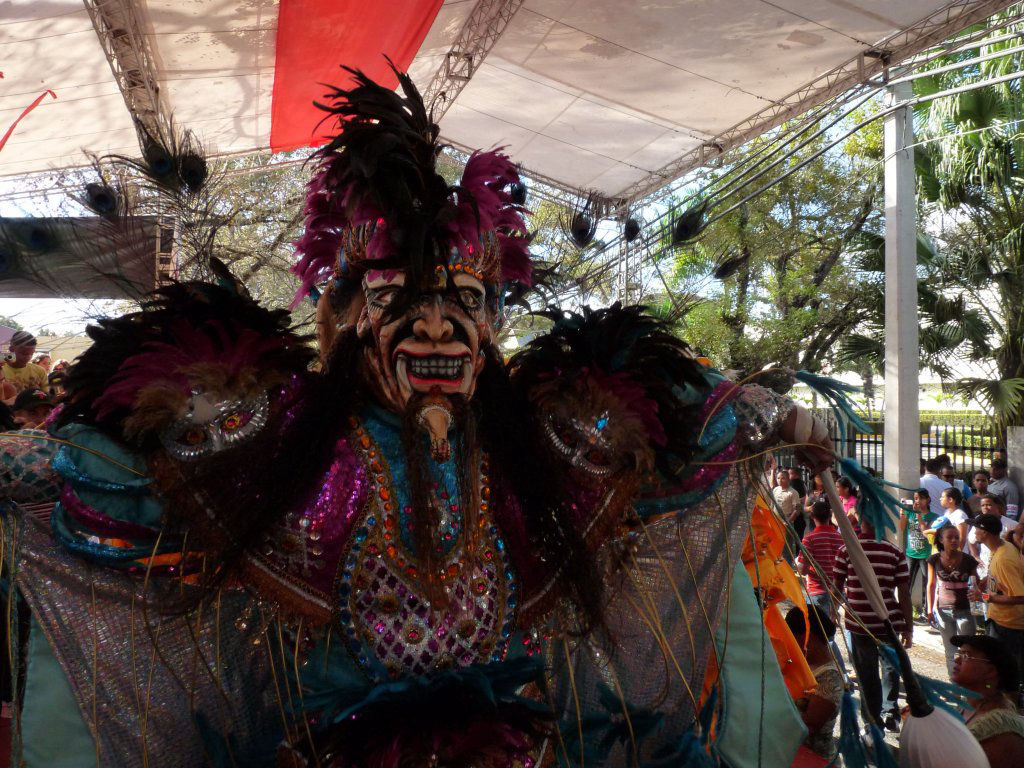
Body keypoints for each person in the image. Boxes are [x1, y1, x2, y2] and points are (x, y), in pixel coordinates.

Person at [0, 67, 837, 766]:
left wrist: (774, 416)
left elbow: (674, 447)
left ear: (493, 325)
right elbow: (119, 471)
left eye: (465, 301)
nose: (436, 326)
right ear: (348, 315)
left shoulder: (543, 448)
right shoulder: (280, 438)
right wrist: (28, 462)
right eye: (400, 298)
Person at [834, 516, 913, 730]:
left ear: (861, 521)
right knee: (890, 669)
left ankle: (872, 723)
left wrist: (832, 614)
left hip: (859, 624)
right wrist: (908, 627)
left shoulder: (846, 550)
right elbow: (904, 594)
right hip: (889, 622)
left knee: (867, 674)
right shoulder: (895, 552)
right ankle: (890, 712)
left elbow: (837, 588)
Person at [970, 514, 1024, 704]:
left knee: (1005, 672)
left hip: (1008, 625)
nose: (974, 531)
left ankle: (1009, 712)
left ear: (984, 532)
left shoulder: (1003, 558)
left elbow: (1020, 596)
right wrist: (988, 582)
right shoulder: (1000, 548)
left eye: (976, 528)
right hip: (1000, 621)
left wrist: (984, 597)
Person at [950, 634, 1024, 764]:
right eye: (959, 654)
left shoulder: (1001, 731)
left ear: (990, 671)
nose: (957, 660)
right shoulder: (969, 706)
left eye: (966, 655)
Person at [785, 605, 843, 761]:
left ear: (808, 637)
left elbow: (807, 728)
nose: (789, 644)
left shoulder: (830, 679)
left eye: (792, 638)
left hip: (814, 759)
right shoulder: (803, 663)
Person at [926, 524, 979, 676]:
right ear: (941, 540)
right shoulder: (934, 560)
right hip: (943, 610)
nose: (954, 540)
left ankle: (966, 686)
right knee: (950, 651)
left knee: (967, 650)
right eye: (950, 537)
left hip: (965, 610)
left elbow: (976, 583)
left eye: (956, 537)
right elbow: (931, 585)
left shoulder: (968, 560)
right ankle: (954, 683)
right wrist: (930, 610)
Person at [797, 498, 844, 615]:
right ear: (830, 516)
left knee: (817, 631)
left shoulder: (809, 539)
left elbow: (802, 570)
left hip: (817, 591)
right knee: (830, 629)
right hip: (837, 592)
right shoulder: (840, 538)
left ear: (812, 516)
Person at [900, 489, 936, 615]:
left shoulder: (933, 517)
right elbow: (902, 527)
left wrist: (919, 516)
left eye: (921, 498)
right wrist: (903, 511)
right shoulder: (910, 513)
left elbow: (926, 534)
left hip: (926, 555)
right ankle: (905, 610)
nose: (918, 501)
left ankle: (927, 612)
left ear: (928, 500)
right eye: (916, 498)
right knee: (907, 582)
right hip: (911, 553)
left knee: (927, 582)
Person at [927, 486, 970, 553]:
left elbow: (962, 538)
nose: (940, 499)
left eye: (943, 497)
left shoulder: (960, 515)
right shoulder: (946, 513)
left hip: (956, 555)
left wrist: (956, 554)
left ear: (950, 499)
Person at [773, 466, 806, 548]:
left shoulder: (793, 492)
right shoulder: (775, 490)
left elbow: (797, 509)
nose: (780, 480)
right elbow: (771, 505)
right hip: (775, 520)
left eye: (783, 478)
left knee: (786, 545)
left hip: (786, 521)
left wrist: (788, 521)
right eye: (778, 478)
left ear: (788, 479)